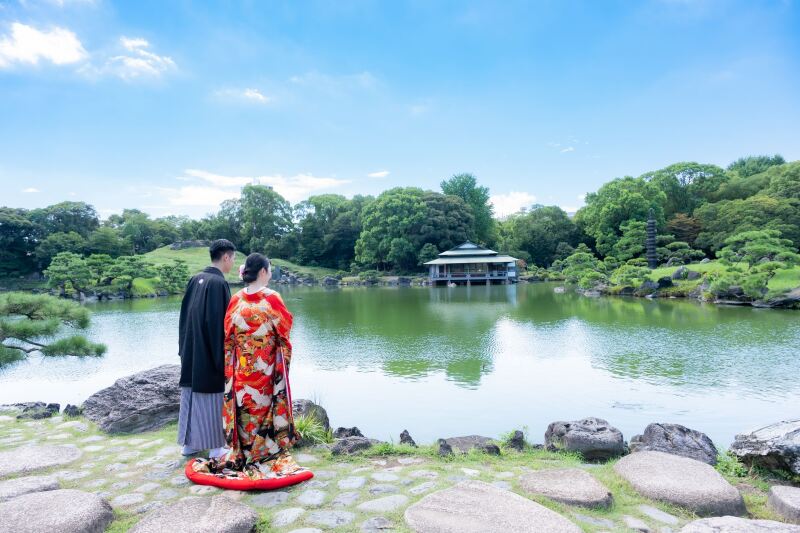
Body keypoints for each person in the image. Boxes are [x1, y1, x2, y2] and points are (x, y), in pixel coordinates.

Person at [190, 252, 307, 482]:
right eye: (269, 269)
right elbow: (284, 329)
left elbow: (228, 336)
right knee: (263, 409)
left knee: (244, 410)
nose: (271, 274)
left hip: (242, 370)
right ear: (263, 272)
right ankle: (262, 453)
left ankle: (243, 452)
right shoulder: (272, 298)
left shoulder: (236, 300)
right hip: (264, 370)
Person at [177, 239, 236, 458]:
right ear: (226, 257)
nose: (233, 263)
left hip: (191, 349)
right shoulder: (218, 284)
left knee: (191, 394)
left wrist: (183, 348)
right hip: (209, 350)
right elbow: (220, 323)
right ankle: (216, 446)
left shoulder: (195, 279)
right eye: (233, 258)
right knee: (212, 396)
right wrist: (224, 355)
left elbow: (184, 318)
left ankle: (189, 444)